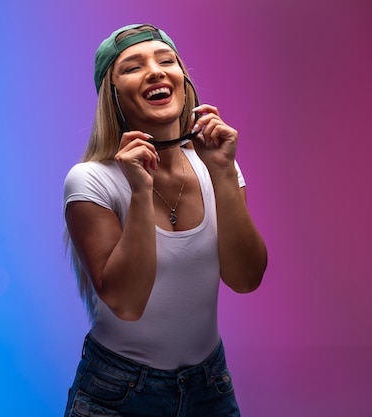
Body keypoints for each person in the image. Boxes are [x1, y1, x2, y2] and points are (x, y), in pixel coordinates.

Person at [62, 24, 268, 417]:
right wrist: (140, 192)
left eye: (166, 60)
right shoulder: (90, 180)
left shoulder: (218, 165)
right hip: (117, 393)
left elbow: (246, 279)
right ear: (113, 95)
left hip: (210, 385)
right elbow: (126, 303)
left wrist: (223, 171)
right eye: (133, 66)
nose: (155, 71)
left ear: (183, 81)